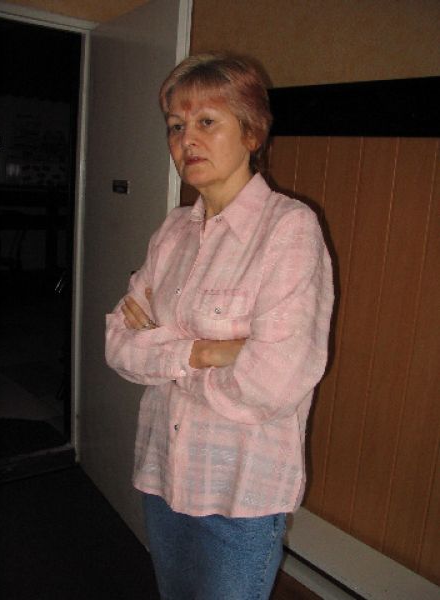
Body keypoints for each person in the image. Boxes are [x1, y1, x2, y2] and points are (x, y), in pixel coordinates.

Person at [105, 53, 334, 600]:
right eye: (175, 126)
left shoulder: (289, 231)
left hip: (239, 495)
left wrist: (162, 348)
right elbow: (117, 343)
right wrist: (206, 353)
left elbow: (272, 382)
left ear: (252, 132)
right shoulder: (172, 232)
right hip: (162, 477)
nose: (187, 139)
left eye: (207, 121)